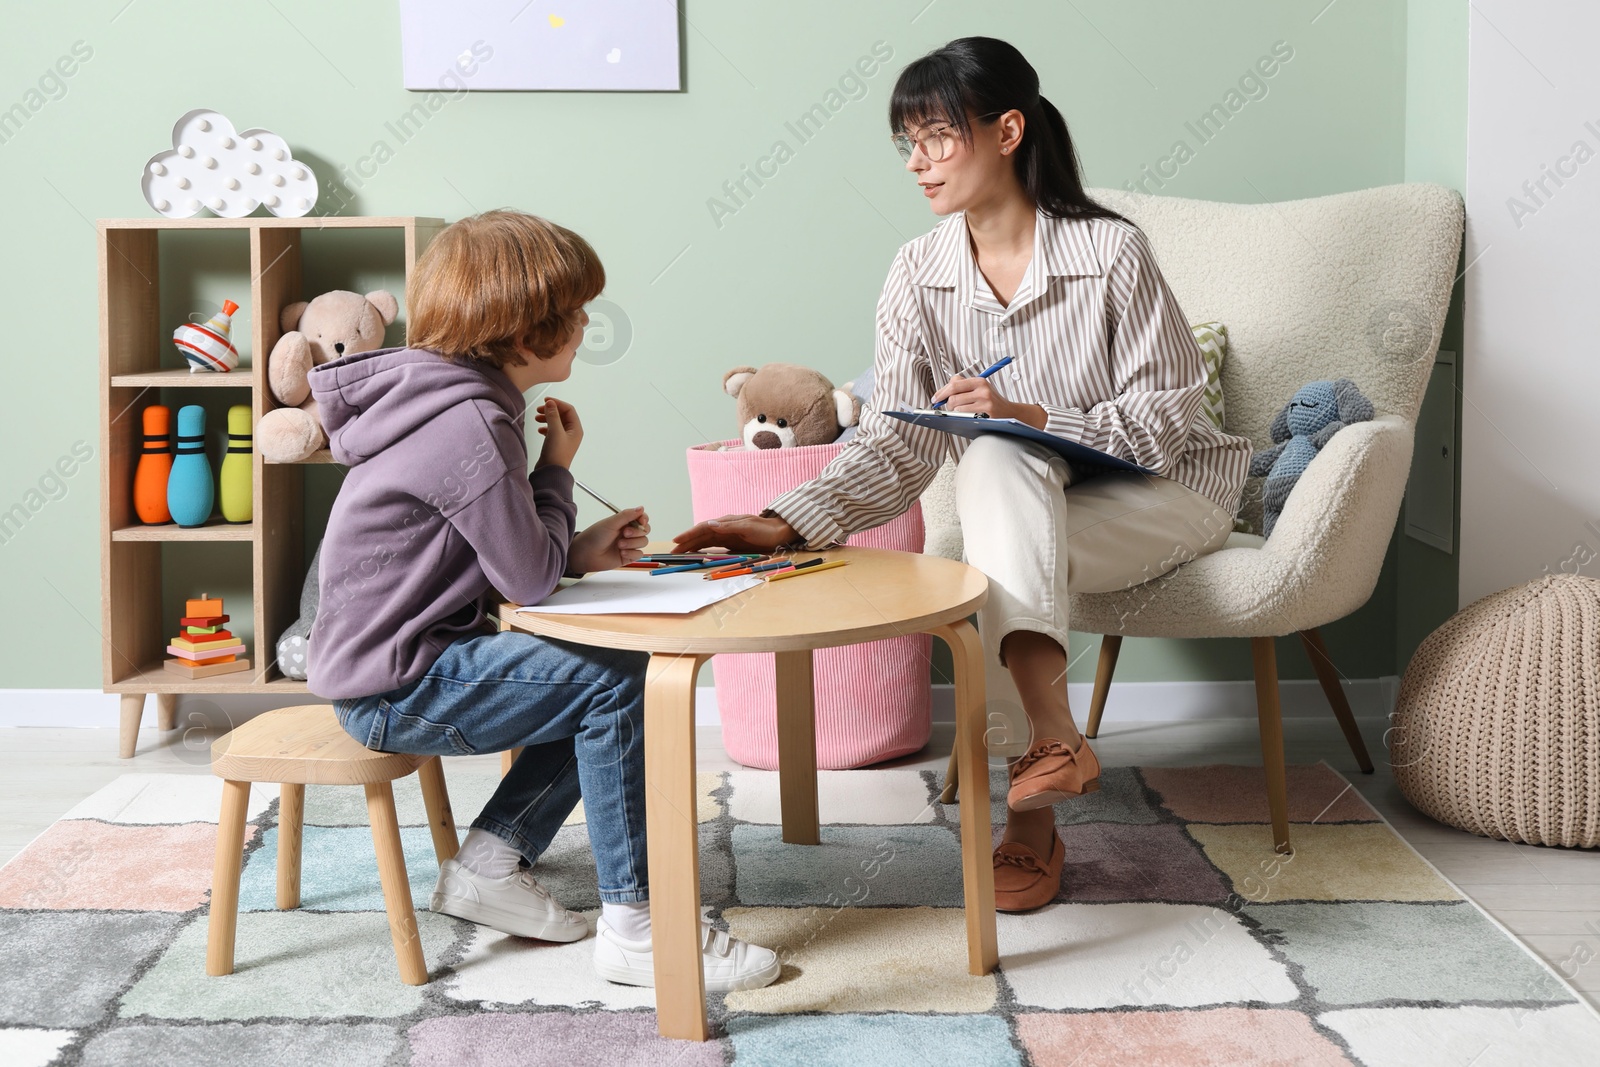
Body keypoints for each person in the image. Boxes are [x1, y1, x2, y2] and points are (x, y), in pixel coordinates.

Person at [673, 38, 1251, 912]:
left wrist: (1032, 416)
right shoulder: (917, 273)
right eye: (907, 141)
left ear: (1008, 130)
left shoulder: (1112, 255)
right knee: (990, 466)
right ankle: (1049, 755)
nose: (917, 161)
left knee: (999, 474)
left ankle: (1031, 812)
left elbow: (1169, 421)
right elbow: (901, 443)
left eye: (938, 136)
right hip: (1032, 501)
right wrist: (788, 517)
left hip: (1166, 492)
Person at [306, 209, 780, 991]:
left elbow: (493, 553)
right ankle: (638, 928)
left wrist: (574, 540)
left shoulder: (444, 401)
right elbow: (527, 579)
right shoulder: (472, 424)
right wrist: (556, 469)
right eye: (575, 314)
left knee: (605, 680)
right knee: (620, 683)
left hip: (388, 668)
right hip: (399, 685)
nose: (588, 323)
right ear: (526, 337)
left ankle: (491, 860)